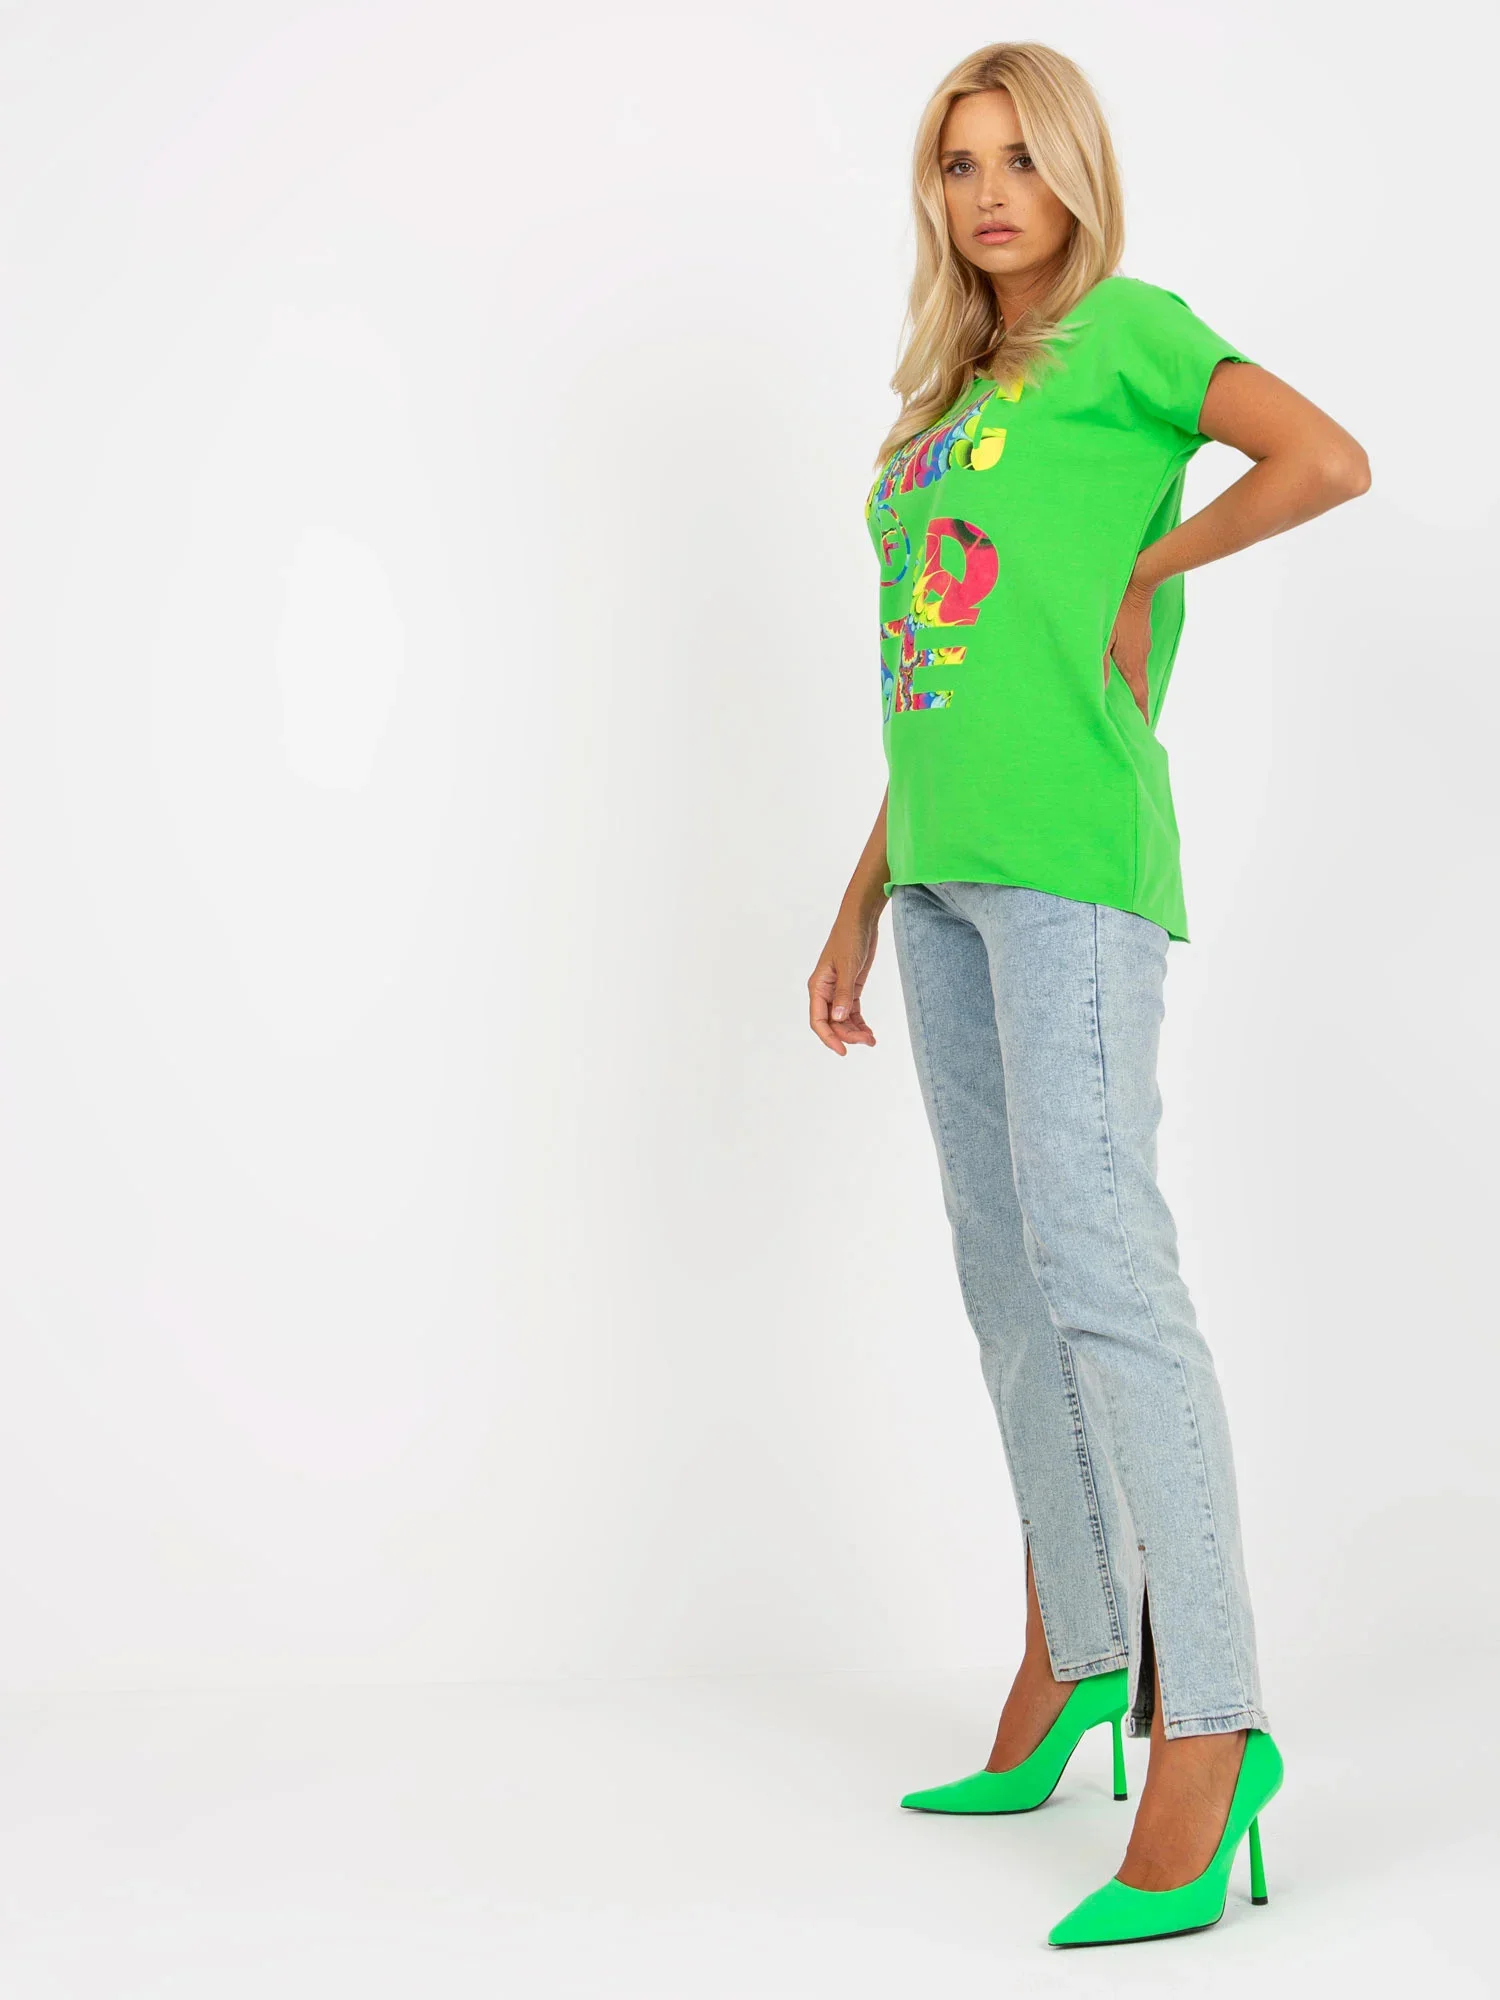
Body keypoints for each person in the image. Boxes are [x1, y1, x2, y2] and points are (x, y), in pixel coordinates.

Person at [806, 42, 1369, 1949]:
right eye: (958, 163)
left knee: (1105, 1269)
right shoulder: (948, 399)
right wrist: (859, 898)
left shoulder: (1131, 334)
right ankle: (1069, 1643)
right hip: (943, 880)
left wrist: (1156, 561)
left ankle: (1213, 1722)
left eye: (1019, 159)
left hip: (1073, 872)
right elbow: (937, 677)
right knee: (1005, 1278)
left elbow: (1325, 457)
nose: (988, 193)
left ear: (1073, 175)